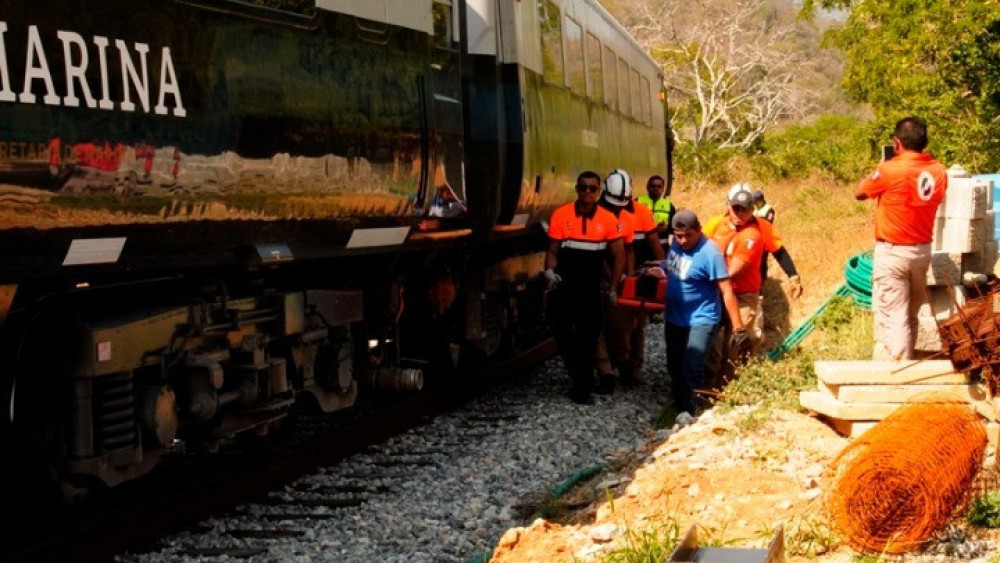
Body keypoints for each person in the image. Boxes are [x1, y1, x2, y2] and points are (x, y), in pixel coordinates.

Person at [855, 116, 947, 361]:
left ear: (897, 143)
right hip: (922, 252)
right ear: (924, 142)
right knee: (910, 315)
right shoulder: (939, 171)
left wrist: (879, 167)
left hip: (893, 253)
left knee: (895, 317)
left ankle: (898, 373)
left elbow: (860, 192)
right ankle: (907, 363)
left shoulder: (889, 170)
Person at [645, 209, 745, 418]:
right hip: (675, 316)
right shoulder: (675, 244)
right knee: (674, 365)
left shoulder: (710, 253)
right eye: (679, 236)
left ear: (698, 230)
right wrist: (660, 268)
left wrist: (738, 328)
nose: (683, 240)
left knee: (693, 364)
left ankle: (695, 411)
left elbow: (726, 290)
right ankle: (680, 408)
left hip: (702, 317)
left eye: (688, 235)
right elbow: (676, 266)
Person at [545, 171, 626, 404]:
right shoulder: (561, 215)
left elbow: (619, 256)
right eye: (583, 187)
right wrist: (549, 272)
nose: (587, 192)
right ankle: (579, 376)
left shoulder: (608, 219)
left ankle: (582, 387)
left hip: (591, 287)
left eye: (592, 188)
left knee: (588, 337)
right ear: (577, 189)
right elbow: (553, 250)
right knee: (561, 333)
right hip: (565, 285)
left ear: (598, 191)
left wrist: (612, 288)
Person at [594, 169, 665, 391]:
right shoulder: (597, 214)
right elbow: (599, 256)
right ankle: (610, 370)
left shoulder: (631, 214)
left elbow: (629, 250)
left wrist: (631, 277)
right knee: (606, 326)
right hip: (602, 278)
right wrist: (615, 280)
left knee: (633, 326)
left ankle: (628, 367)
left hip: (628, 277)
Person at [703, 187, 766, 383]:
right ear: (729, 208)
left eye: (743, 210)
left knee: (736, 343)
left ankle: (730, 387)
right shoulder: (722, 225)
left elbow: (733, 271)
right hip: (719, 291)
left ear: (751, 210)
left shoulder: (751, 236)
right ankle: (708, 383)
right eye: (735, 209)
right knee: (711, 339)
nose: (738, 214)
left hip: (742, 296)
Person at [637, 174, 675, 242]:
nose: (656, 189)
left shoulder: (669, 206)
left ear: (663, 188)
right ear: (647, 187)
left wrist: (666, 228)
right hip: (641, 245)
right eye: (653, 186)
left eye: (659, 187)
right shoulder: (637, 202)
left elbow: (674, 228)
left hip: (661, 244)